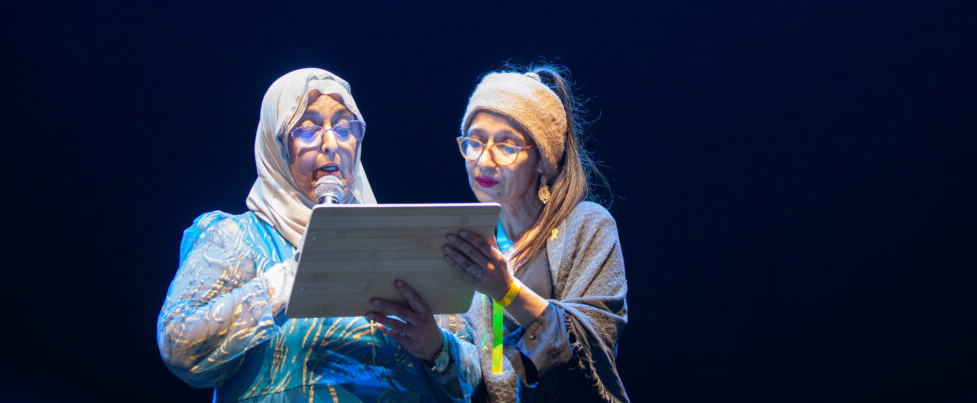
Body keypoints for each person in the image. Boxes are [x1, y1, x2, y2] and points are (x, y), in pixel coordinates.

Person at [157, 68, 473, 402]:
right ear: (276, 144)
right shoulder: (239, 239)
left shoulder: (399, 244)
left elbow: (485, 375)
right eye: (306, 129)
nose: (331, 143)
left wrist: (437, 348)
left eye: (344, 126)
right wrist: (293, 276)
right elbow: (180, 347)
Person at [367, 65, 629, 402]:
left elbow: (592, 352)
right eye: (474, 142)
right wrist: (435, 346)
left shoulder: (586, 226)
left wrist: (505, 291)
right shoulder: (468, 242)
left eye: (506, 146)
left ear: (542, 159)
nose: (484, 160)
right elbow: (477, 378)